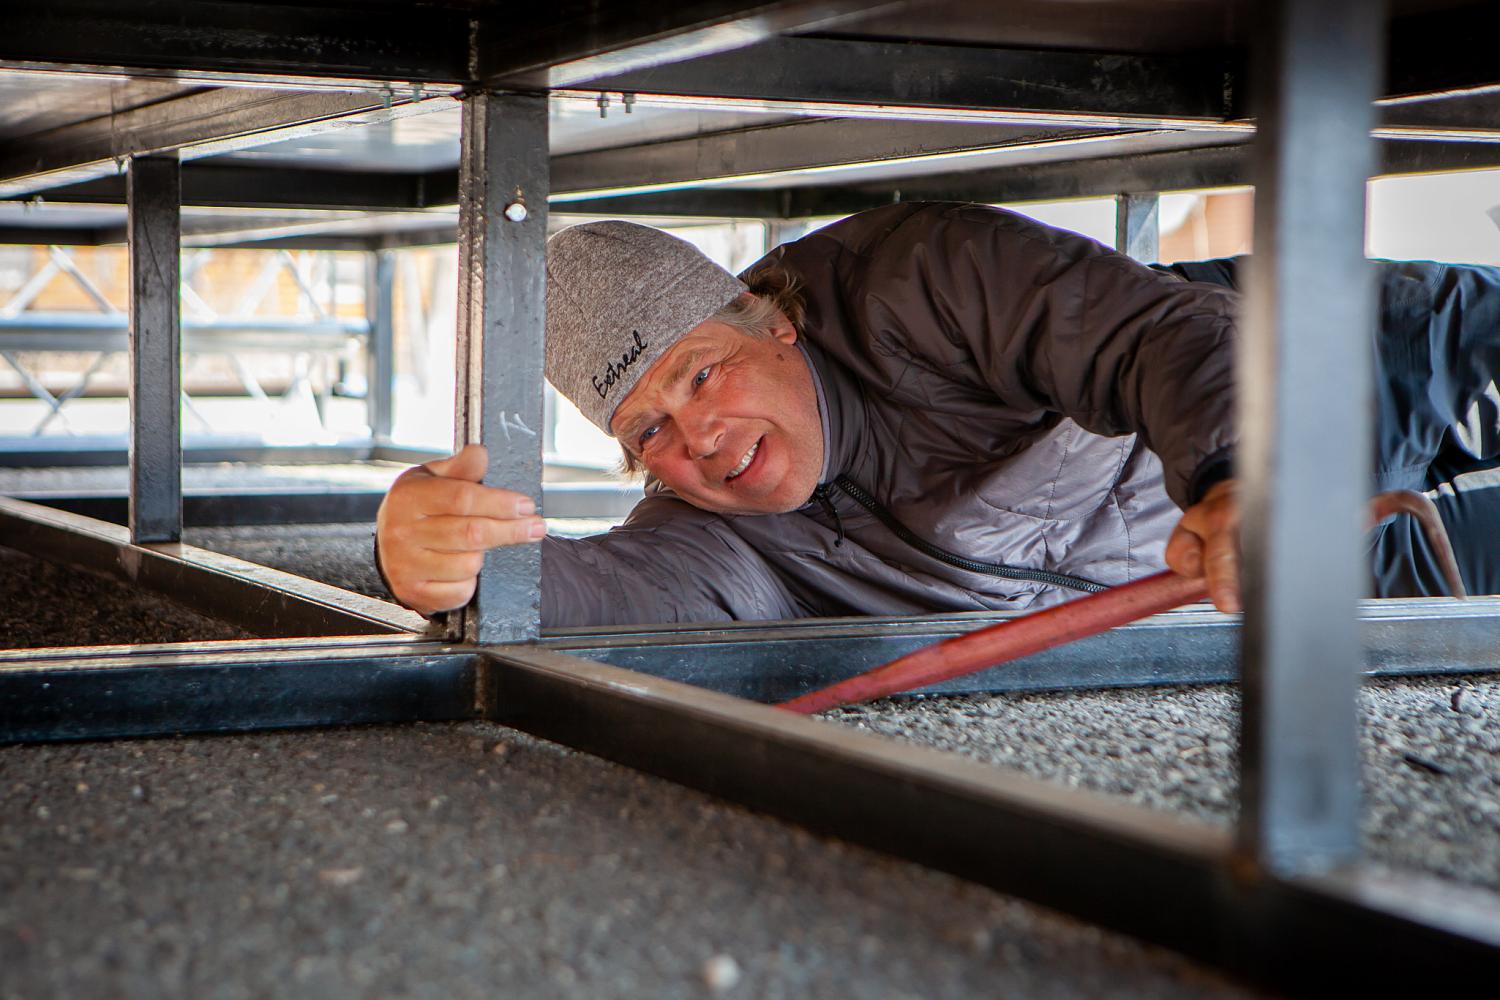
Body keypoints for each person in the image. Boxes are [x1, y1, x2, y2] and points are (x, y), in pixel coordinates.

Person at [374, 202, 1500, 626]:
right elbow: (590, 596)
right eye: (647, 432)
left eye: (700, 374)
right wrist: (436, 563)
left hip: (1359, 362)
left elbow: (1159, 338)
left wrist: (1234, 474)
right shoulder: (715, 535)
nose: (696, 438)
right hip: (1311, 572)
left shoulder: (918, 277)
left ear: (774, 321)